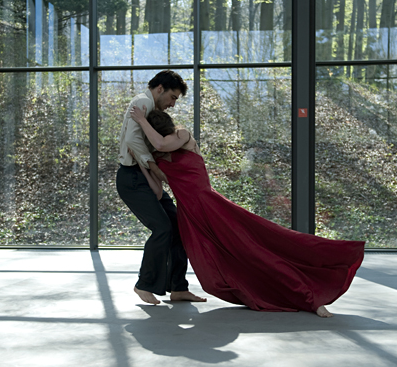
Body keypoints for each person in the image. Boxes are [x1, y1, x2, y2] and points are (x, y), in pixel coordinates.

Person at [129, 106, 365, 317]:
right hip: (192, 217)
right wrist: (144, 163)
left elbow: (161, 143)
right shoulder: (159, 158)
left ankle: (310, 297)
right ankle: (181, 290)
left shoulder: (182, 136)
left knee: (255, 250)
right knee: (219, 265)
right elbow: (158, 192)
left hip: (212, 208)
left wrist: (141, 120)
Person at [116, 70, 206, 306]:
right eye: (173, 97)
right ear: (160, 89)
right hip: (133, 179)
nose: (173, 104)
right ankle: (144, 284)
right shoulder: (143, 102)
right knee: (163, 228)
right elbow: (133, 141)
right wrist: (155, 169)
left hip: (143, 177)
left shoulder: (151, 109)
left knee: (178, 227)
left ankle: (178, 288)